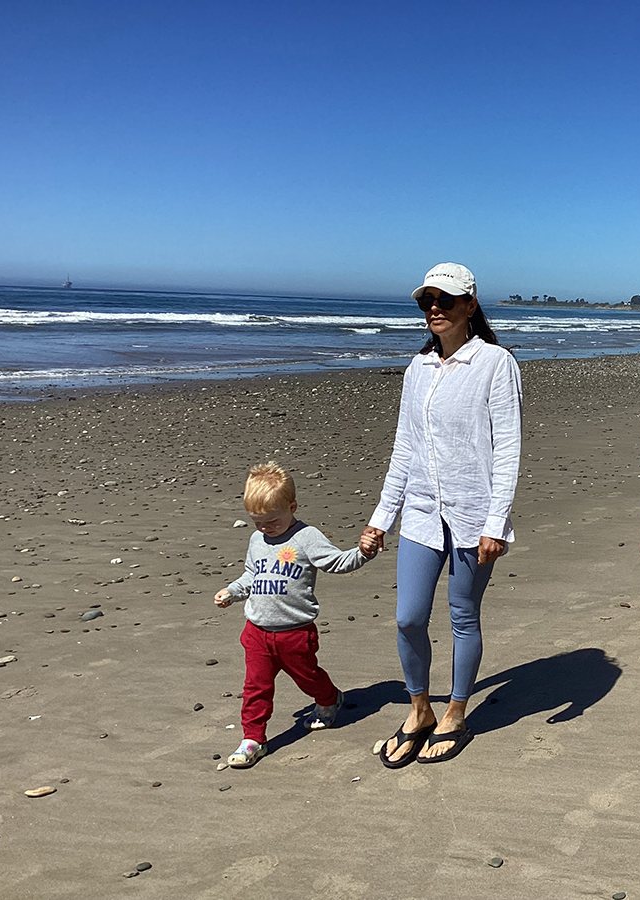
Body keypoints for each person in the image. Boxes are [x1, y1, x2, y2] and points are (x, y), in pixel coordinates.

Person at [360, 263, 522, 767]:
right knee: (408, 617)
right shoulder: (418, 369)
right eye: (426, 300)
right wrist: (380, 518)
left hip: (474, 515)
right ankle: (419, 709)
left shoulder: (496, 364)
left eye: (445, 300)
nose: (434, 308)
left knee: (461, 616)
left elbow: (508, 451)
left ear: (470, 305)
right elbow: (404, 449)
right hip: (424, 514)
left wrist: (496, 524)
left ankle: (455, 713)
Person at [215, 462, 375, 769]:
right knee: (255, 688)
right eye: (258, 522)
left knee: (308, 677)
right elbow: (252, 575)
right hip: (257, 632)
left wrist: (363, 552)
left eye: (272, 521)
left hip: (295, 632)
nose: (265, 529)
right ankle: (253, 739)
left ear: (292, 507)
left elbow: (336, 563)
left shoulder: (306, 537)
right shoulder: (257, 540)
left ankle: (329, 699)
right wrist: (232, 591)